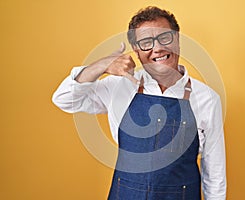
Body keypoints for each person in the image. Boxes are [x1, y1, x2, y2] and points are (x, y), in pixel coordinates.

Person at [52, 6, 226, 200]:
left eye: (165, 37)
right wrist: (101, 66)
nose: (157, 48)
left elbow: (215, 172)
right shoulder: (119, 86)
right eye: (146, 42)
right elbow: (64, 99)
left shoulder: (207, 98)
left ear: (177, 39)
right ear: (136, 50)